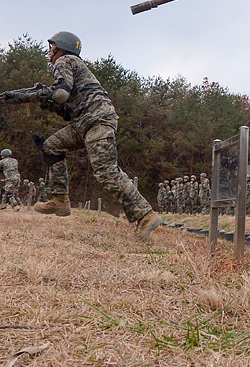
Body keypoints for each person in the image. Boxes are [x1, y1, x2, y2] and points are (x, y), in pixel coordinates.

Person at [14, 31, 162, 240]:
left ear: (61, 47)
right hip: (85, 122)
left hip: (96, 120)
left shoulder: (65, 60)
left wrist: (37, 95)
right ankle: (60, 199)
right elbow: (66, 109)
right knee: (51, 146)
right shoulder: (74, 65)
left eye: (51, 46)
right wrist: (41, 100)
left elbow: (60, 93)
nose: (49, 51)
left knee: (106, 172)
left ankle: (145, 215)